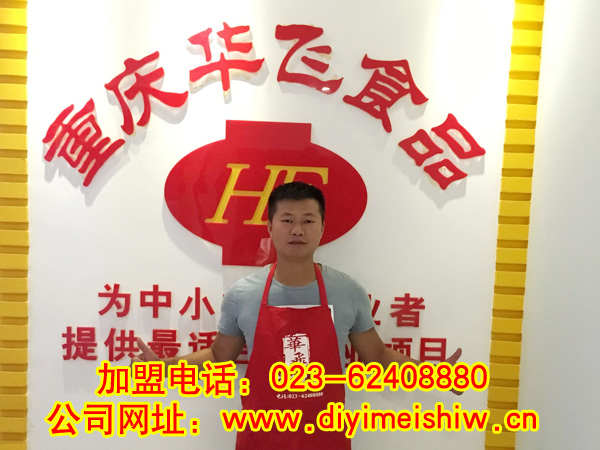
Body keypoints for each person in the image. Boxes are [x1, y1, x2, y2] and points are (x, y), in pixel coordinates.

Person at [132, 181, 461, 449]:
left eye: (308, 220)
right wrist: (165, 367)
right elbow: (220, 356)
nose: (297, 230)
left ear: (322, 227)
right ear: (270, 226)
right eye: (287, 220)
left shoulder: (347, 291)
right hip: (261, 438)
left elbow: (376, 355)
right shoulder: (243, 294)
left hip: (326, 438)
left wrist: (433, 375)